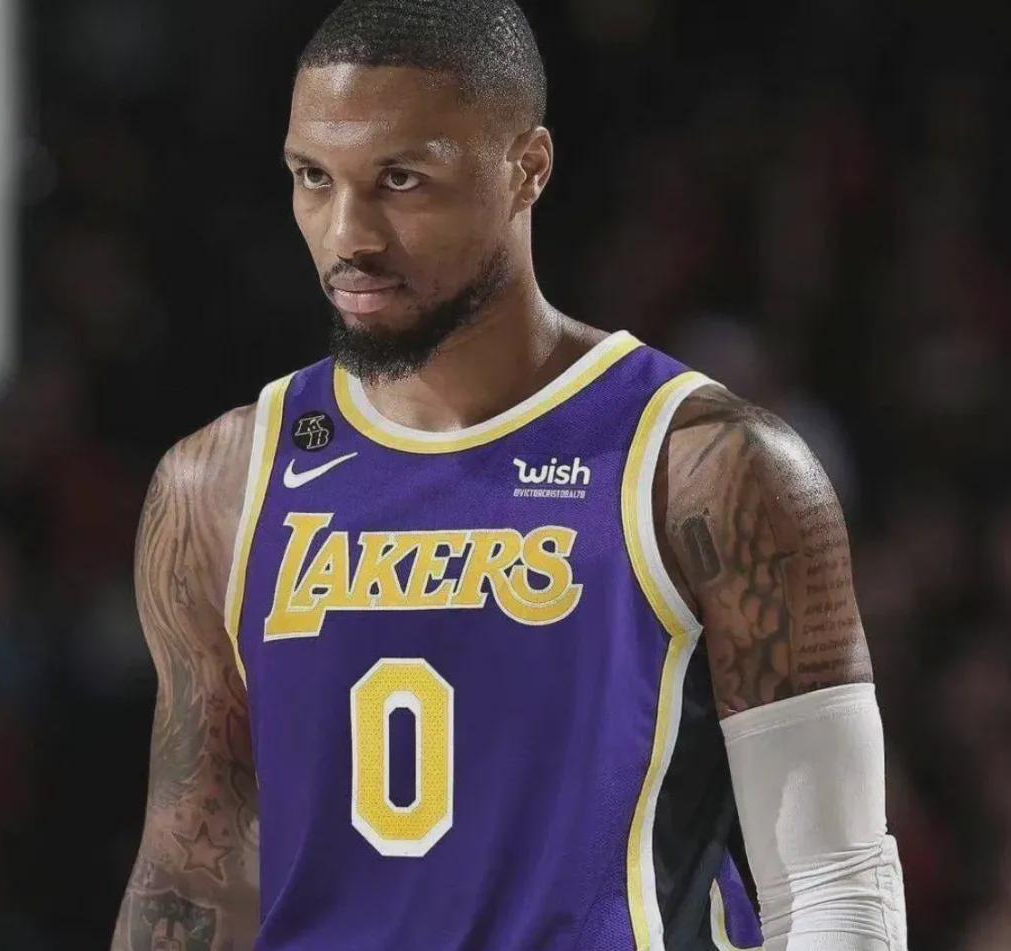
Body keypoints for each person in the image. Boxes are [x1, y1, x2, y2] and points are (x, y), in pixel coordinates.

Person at [111, 1, 908, 948]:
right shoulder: (218, 483)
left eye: (401, 180)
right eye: (313, 178)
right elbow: (186, 875)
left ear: (528, 167)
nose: (346, 235)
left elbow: (834, 884)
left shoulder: (707, 467)